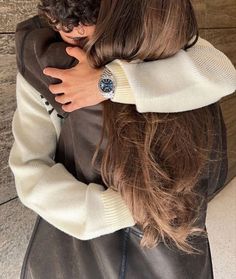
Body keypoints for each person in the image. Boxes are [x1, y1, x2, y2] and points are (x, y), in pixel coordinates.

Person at [8, 0, 235, 278]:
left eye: (89, 31)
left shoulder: (152, 27)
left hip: (170, 236)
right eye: (68, 33)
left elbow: (222, 74)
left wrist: (108, 83)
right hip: (88, 240)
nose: (78, 37)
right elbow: (30, 170)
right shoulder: (41, 60)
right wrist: (128, 209)